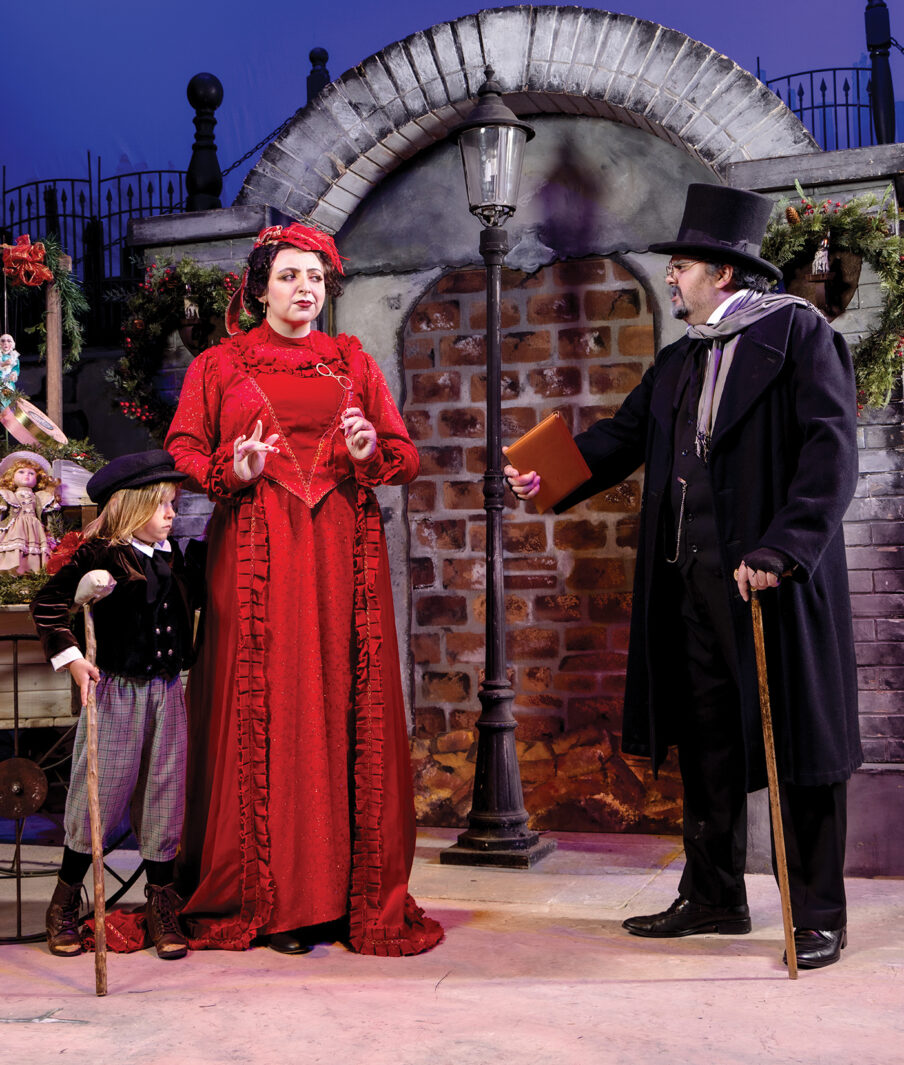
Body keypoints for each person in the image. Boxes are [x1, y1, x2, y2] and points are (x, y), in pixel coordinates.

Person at [505, 184, 860, 970]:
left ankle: (817, 913)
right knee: (705, 741)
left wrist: (781, 547)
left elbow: (830, 455)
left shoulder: (799, 336)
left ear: (723, 275)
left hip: (770, 583)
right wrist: (545, 477)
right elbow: (618, 441)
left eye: (682, 265)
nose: (670, 277)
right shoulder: (678, 361)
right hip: (689, 585)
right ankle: (712, 894)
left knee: (799, 747)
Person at [165, 222, 443, 956]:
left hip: (341, 553)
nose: (304, 289)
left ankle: (340, 897)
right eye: (289, 276)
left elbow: (406, 453)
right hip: (255, 553)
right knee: (272, 706)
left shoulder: (350, 360)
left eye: (315, 277)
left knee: (339, 700)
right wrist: (235, 469)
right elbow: (183, 447)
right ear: (260, 287)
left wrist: (370, 451)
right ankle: (275, 900)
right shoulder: (221, 365)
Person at [31, 450, 201, 960]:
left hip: (168, 690)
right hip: (117, 690)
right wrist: (73, 658)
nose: (171, 514)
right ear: (131, 508)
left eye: (173, 504)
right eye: (161, 506)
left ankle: (161, 903)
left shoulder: (171, 554)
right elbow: (47, 604)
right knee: (98, 794)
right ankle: (64, 902)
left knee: (163, 795)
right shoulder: (98, 554)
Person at [0, 451, 60, 573]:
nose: (26, 475)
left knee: (35, 548)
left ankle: (31, 569)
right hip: (15, 527)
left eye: (31, 473)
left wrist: (52, 533)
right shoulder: (8, 495)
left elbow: (46, 516)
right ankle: (14, 569)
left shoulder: (40, 496)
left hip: (35, 527)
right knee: (16, 547)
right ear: (12, 476)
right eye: (21, 472)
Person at [1, 333, 19, 409]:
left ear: (12, 344)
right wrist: (3, 364)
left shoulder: (14, 358)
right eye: (3, 341)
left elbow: (16, 370)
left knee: (7, 406)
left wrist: (14, 375)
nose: (6, 343)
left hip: (8, 385)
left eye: (9, 341)